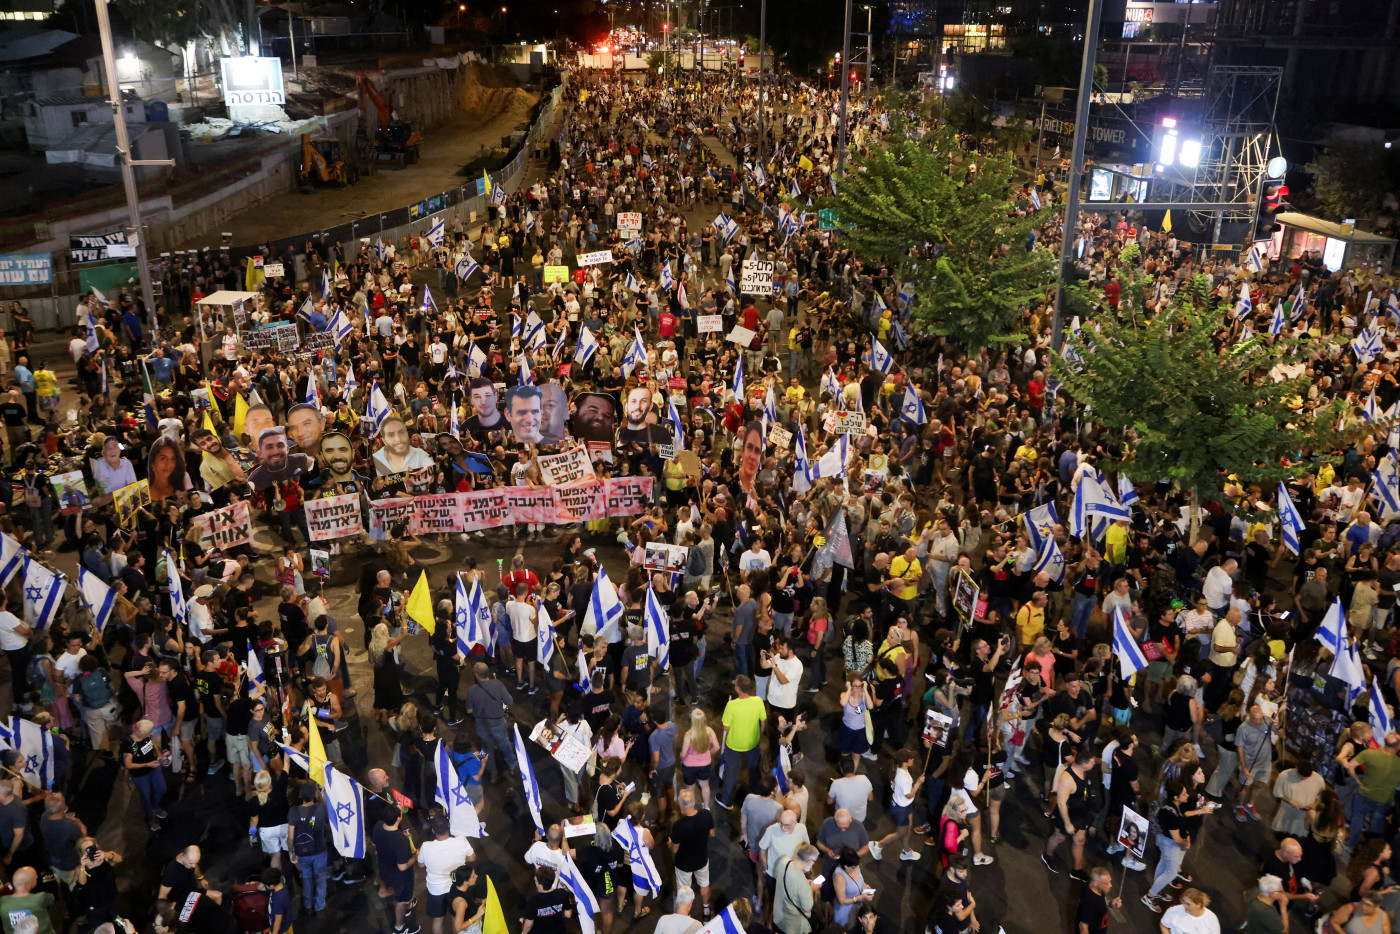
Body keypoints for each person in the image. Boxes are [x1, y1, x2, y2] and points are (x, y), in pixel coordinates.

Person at [717, 675, 766, 808]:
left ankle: (726, 800)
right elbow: (763, 721)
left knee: (731, 774)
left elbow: (726, 727)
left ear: (737, 688)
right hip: (752, 743)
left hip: (734, 744)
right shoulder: (758, 701)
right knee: (754, 772)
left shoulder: (731, 705)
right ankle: (757, 797)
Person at [669, 788, 715, 916]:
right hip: (701, 859)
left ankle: (684, 916)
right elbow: (712, 833)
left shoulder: (679, 826)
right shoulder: (706, 815)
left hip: (684, 864)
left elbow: (675, 849)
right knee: (704, 884)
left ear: (682, 806)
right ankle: (706, 910)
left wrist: (669, 842)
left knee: (684, 890)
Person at [770, 844, 819, 934]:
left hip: (778, 914)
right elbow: (807, 908)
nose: (812, 865)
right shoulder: (803, 883)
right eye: (814, 862)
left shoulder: (783, 861)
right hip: (792, 925)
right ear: (809, 861)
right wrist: (810, 889)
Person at [1076, 866, 1121, 934]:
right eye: (1106, 883)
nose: (1110, 885)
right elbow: (1083, 926)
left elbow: (1102, 902)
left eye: (1110, 881)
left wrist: (1111, 903)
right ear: (1095, 883)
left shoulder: (1098, 889)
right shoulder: (1089, 902)